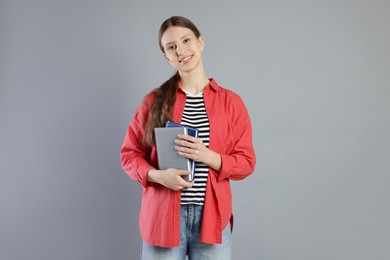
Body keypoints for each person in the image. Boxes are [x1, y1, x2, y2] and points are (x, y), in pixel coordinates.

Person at [120, 15, 256, 260]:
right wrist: (158, 176)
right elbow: (129, 155)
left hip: (212, 220)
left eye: (186, 40)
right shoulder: (153, 101)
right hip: (162, 219)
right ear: (166, 56)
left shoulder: (231, 103)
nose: (180, 50)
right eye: (171, 47)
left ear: (200, 43)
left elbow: (246, 162)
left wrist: (210, 157)